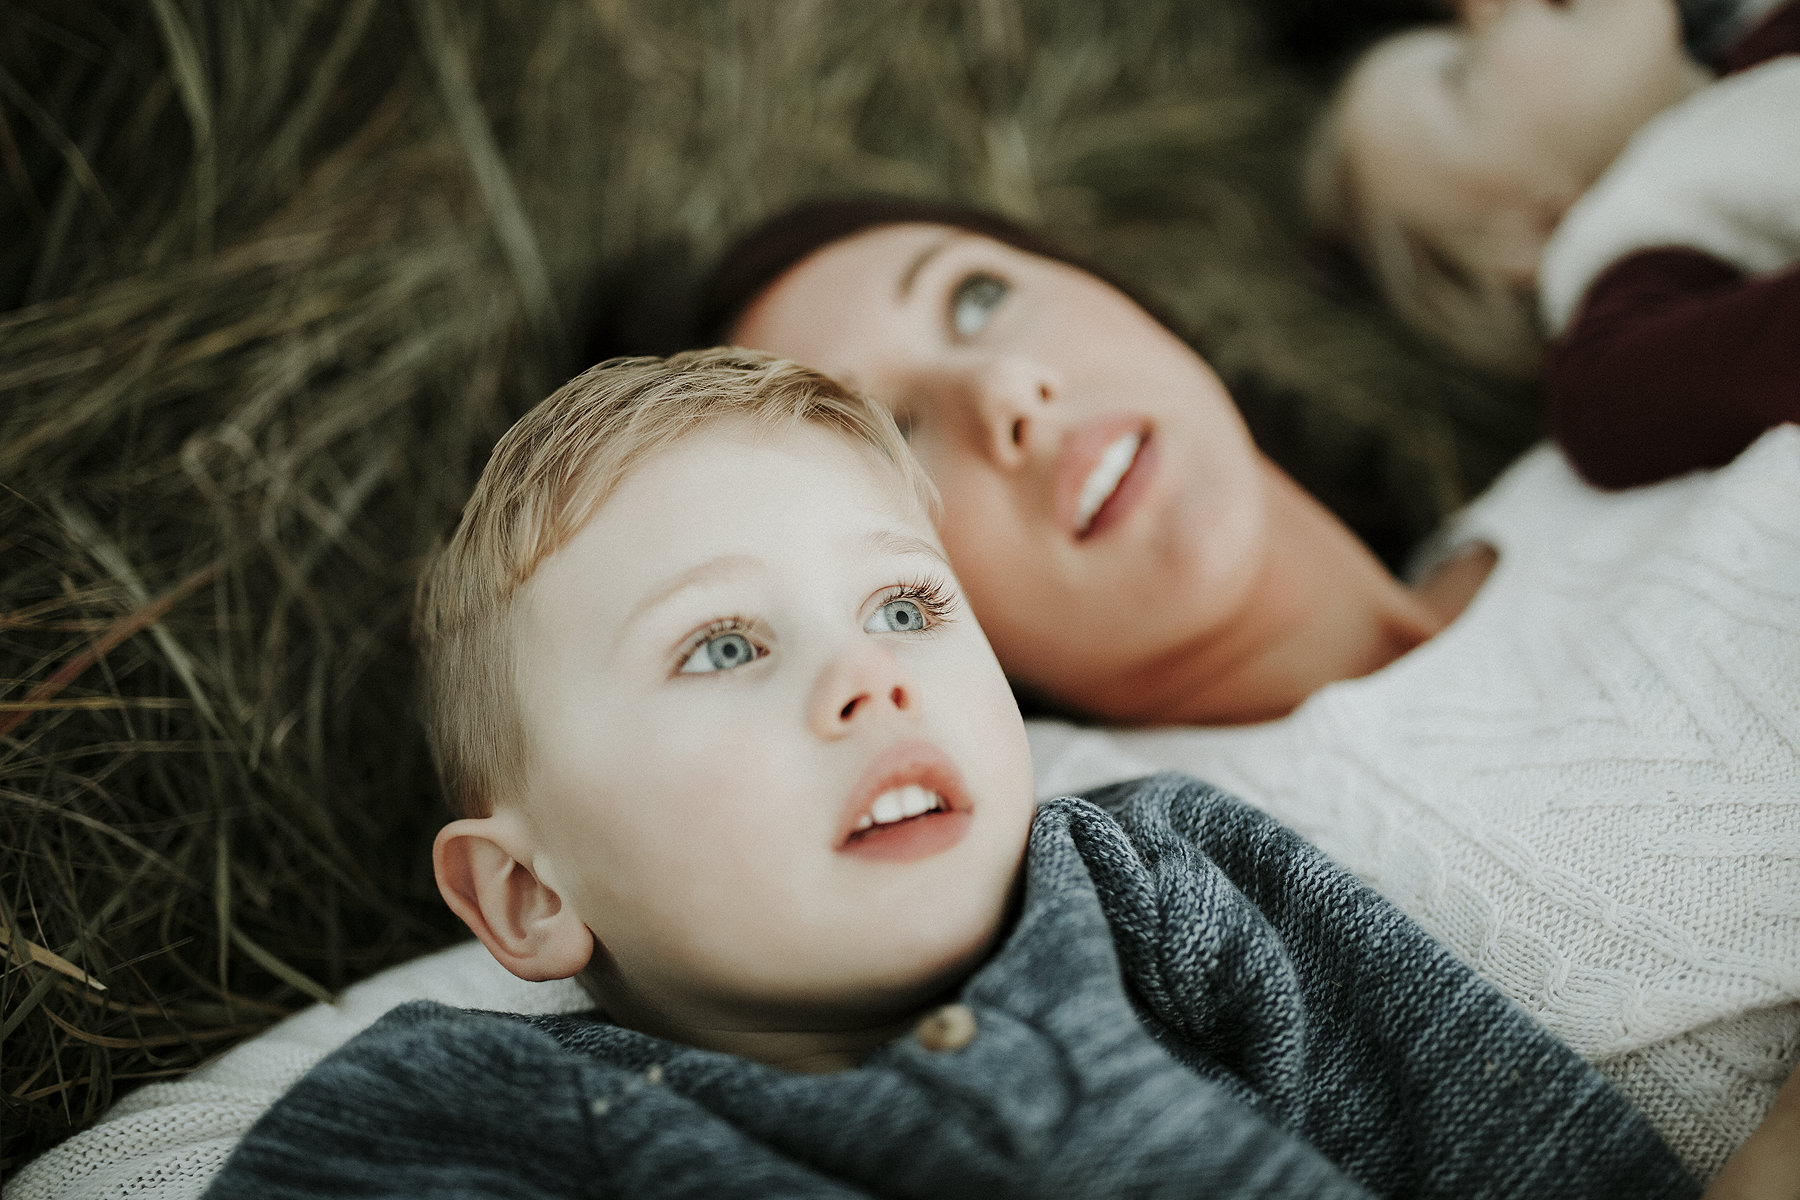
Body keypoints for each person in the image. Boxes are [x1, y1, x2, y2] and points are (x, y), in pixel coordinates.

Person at [195, 348, 1700, 1198]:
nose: (872, 675)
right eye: (722, 646)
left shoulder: (1164, 884)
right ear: (527, 896)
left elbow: (1527, 1160)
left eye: (906, 606)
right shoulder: (463, 1119)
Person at [701, 198, 1800, 1180]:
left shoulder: (1632, 429)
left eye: (977, 296)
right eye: (892, 440)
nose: (1004, 394)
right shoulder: (1095, 865)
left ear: (1129, 301)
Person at [1305, 0, 1800, 487]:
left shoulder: (1768, 44)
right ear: (1521, 242)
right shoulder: (1617, 343)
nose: (1480, 7)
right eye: (1460, 69)